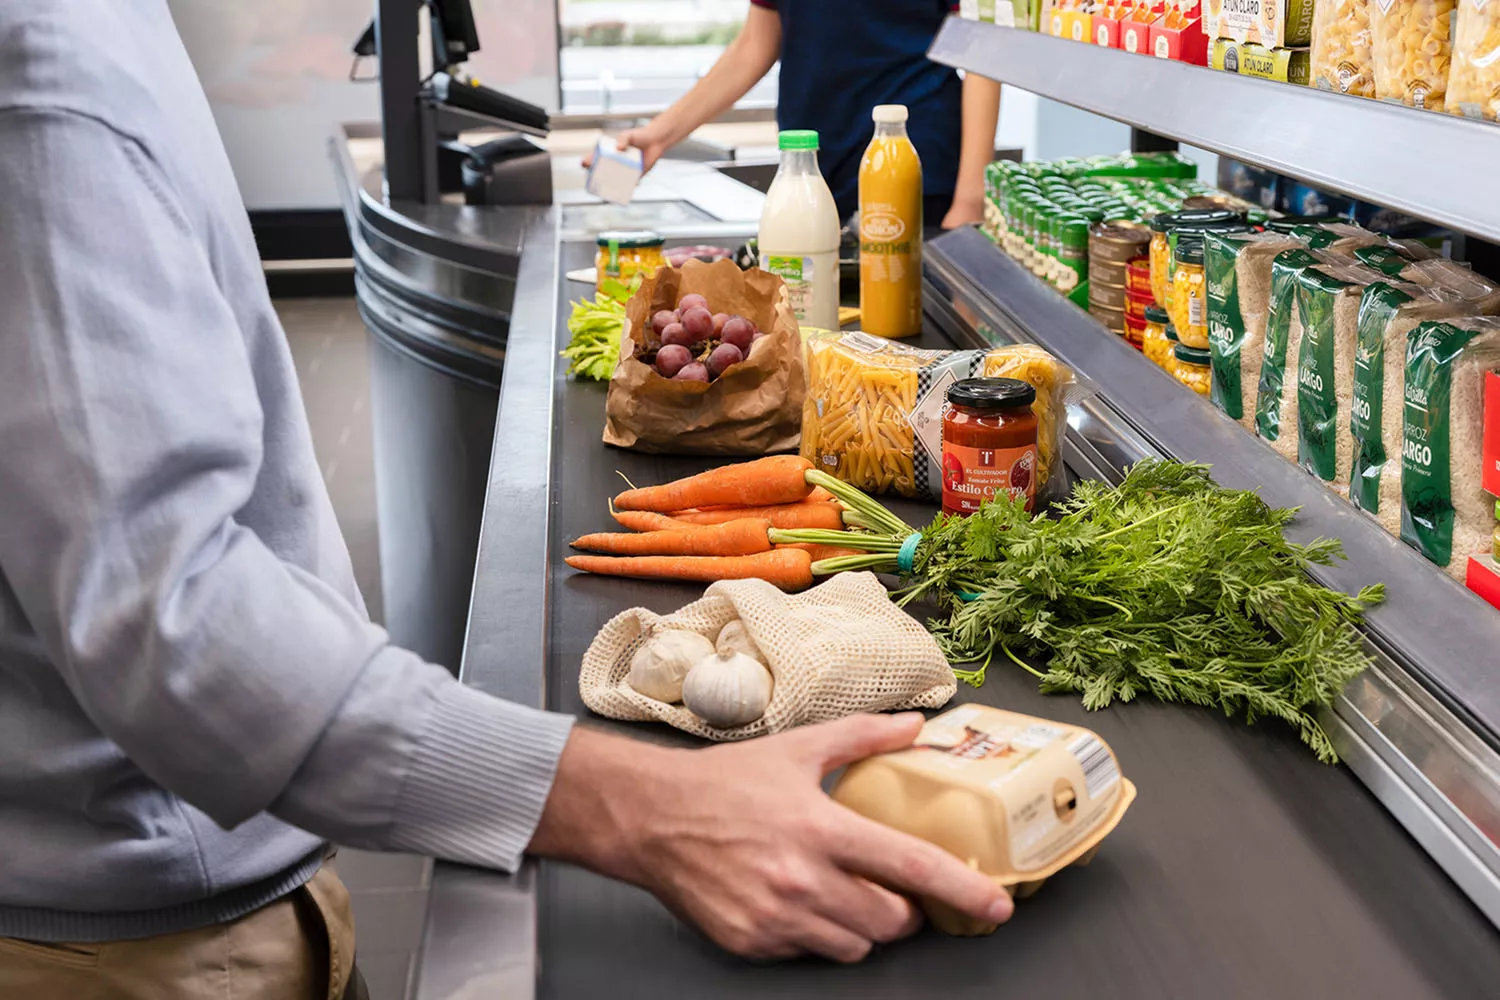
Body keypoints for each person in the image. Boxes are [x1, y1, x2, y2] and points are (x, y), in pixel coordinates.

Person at [0, 3, 1013, 997]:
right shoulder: (44, 71)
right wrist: (648, 808)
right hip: (133, 935)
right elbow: (173, 625)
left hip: (210, 874)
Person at [608, 2, 1002, 230]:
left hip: (912, 163)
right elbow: (754, 46)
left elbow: (983, 49)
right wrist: (658, 135)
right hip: (811, 165)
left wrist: (971, 199)